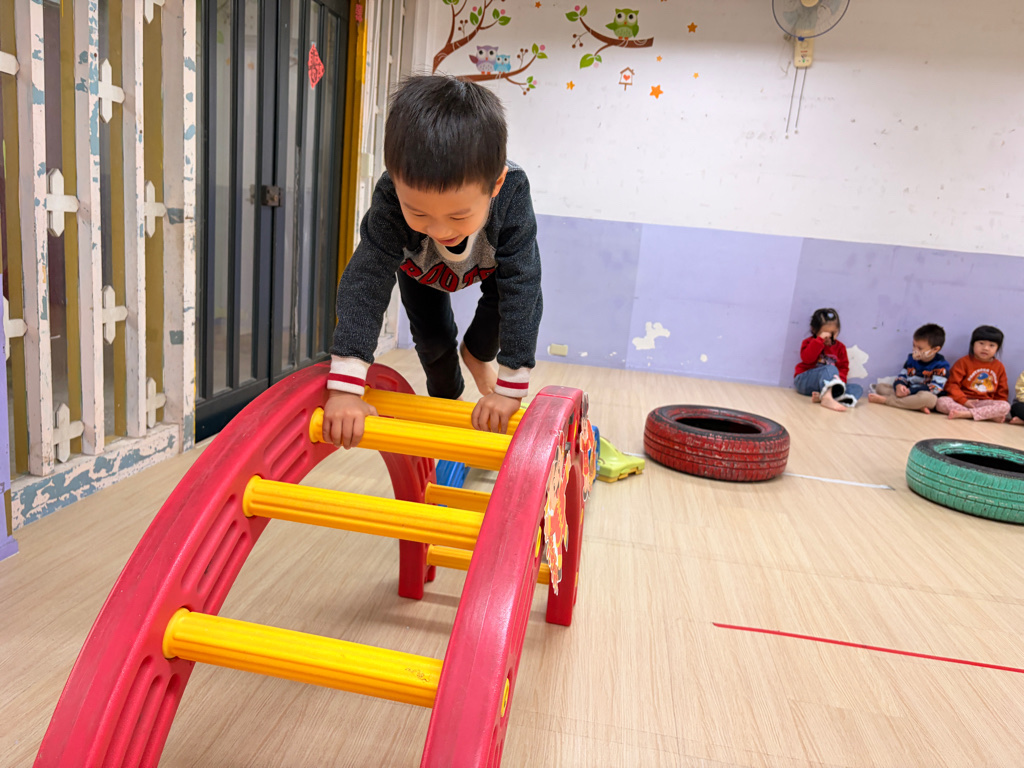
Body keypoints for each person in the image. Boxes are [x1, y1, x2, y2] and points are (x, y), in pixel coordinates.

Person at [322, 75, 543, 449]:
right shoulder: (391, 197)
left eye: (458, 215)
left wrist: (510, 388)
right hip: (421, 273)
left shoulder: (512, 194)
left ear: (496, 184)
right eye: (419, 212)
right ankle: (448, 404)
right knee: (433, 343)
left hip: (490, 267)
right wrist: (346, 389)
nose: (440, 230)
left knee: (505, 304)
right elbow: (366, 280)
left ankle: (476, 354)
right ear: (396, 182)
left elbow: (523, 286)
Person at [867, 324, 949, 413]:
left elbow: (935, 388)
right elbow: (902, 375)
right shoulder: (911, 359)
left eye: (920, 348)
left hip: (921, 394)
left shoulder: (941, 365)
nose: (915, 350)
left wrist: (910, 391)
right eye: (914, 345)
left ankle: (887, 400)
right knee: (880, 387)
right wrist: (899, 385)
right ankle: (914, 406)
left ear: (935, 349)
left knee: (929, 399)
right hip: (907, 392)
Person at [793, 308, 863, 411]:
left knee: (857, 388)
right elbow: (807, 359)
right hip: (805, 381)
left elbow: (843, 368)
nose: (829, 337)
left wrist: (840, 383)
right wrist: (819, 341)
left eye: (833, 333)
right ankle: (828, 398)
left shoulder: (840, 348)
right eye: (825, 334)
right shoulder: (809, 342)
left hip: (823, 387)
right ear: (814, 330)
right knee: (829, 368)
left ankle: (824, 396)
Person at [936, 325, 1010, 422]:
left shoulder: (999, 366)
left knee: (1005, 406)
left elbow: (1002, 392)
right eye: (981, 343)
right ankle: (984, 415)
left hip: (984, 404)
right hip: (962, 401)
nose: (986, 348)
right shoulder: (963, 362)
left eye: (991, 345)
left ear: (997, 348)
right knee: (941, 401)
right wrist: (964, 401)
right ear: (973, 344)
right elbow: (952, 384)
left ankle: (967, 414)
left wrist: (998, 408)